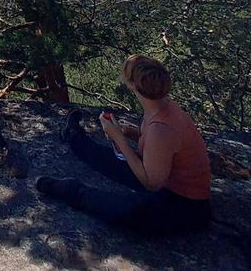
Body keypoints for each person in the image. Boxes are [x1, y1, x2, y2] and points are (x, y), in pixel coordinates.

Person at [35, 55, 212, 235]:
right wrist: (130, 133)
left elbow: (151, 183)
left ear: (133, 86)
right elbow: (160, 145)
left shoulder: (161, 128)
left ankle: (71, 191)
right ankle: (74, 138)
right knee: (117, 161)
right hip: (166, 178)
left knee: (121, 208)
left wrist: (119, 138)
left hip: (186, 207)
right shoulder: (162, 106)